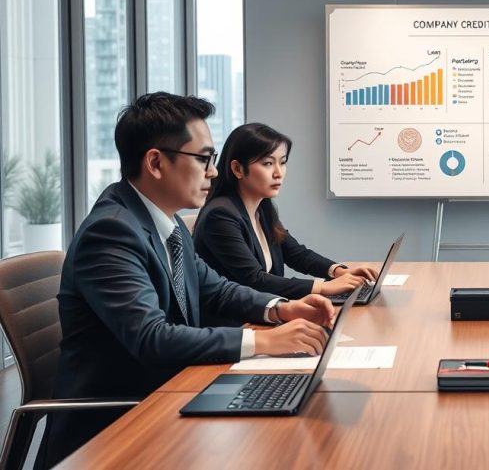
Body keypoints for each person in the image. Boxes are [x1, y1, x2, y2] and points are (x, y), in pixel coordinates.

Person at [39, 93, 336, 468]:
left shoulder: (168, 222)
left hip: (169, 393)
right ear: (155, 163)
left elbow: (217, 289)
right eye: (203, 159)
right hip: (116, 427)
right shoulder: (111, 232)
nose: (213, 172)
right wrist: (264, 341)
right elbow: (152, 338)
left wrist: (281, 310)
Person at [194, 123, 376, 320]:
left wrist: (339, 272)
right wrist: (323, 287)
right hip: (234, 324)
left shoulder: (262, 207)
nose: (278, 173)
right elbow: (255, 280)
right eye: (268, 163)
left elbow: (296, 254)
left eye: (282, 162)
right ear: (238, 169)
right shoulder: (220, 215)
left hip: (260, 316)